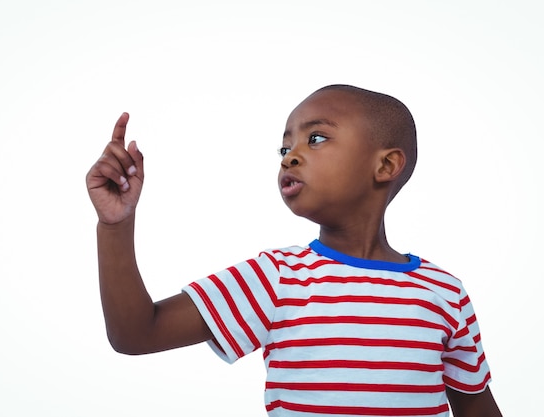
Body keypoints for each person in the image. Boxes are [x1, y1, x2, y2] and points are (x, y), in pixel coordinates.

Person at [86, 84, 502, 417]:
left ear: (386, 166)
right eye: (285, 149)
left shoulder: (444, 293)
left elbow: (475, 405)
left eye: (315, 138)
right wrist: (116, 225)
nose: (291, 158)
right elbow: (137, 333)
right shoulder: (277, 278)